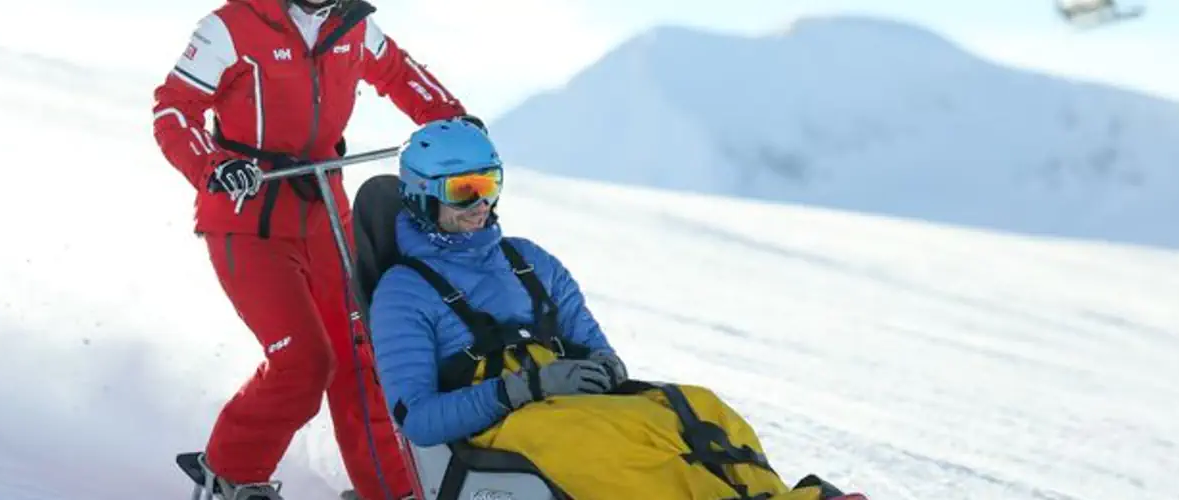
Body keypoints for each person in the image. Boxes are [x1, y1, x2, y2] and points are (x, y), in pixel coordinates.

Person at [364, 119, 870, 500]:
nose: (482, 204)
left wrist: (601, 369)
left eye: (490, 183)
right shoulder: (403, 293)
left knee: (696, 408)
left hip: (574, 404)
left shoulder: (529, 260)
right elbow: (419, 420)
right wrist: (524, 387)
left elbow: (601, 351)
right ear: (420, 194)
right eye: (463, 191)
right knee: (616, 451)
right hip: (500, 424)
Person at [149, 0, 480, 498]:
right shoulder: (230, 27)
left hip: (325, 211)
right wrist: (213, 164)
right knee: (304, 360)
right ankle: (233, 473)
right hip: (247, 217)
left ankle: (391, 489)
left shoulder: (352, 25)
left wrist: (451, 120)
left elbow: (396, 71)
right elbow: (174, 109)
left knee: (359, 356)